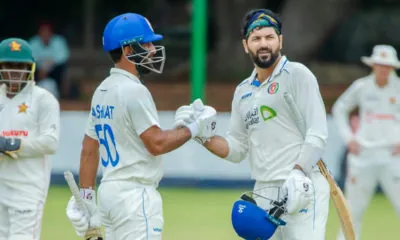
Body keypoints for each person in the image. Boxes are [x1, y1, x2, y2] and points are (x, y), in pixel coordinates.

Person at [175, 9, 330, 239]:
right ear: (246, 45)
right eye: (256, 39)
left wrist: (298, 172)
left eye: (269, 37)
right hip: (264, 192)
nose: (264, 44)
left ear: (280, 41)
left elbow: (317, 134)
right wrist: (200, 134)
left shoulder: (298, 75)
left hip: (302, 186)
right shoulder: (242, 91)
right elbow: (237, 149)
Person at [65, 13, 216, 240]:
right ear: (127, 50)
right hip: (135, 197)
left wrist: (86, 195)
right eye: (146, 43)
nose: (153, 50)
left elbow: (89, 147)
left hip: (110, 194)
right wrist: (194, 129)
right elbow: (156, 143)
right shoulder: (134, 90)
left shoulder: (102, 90)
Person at [332, 45, 400, 240]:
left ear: (392, 67)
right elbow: (339, 109)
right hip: (363, 156)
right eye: (380, 65)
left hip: (393, 156)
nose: (383, 69)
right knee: (352, 210)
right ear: (373, 65)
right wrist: (349, 138)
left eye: (387, 66)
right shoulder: (361, 87)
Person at [0, 38, 60, 240]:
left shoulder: (43, 99)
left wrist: (13, 144)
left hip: (27, 190)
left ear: (30, 67)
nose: (15, 71)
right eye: (9, 65)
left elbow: (51, 143)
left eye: (20, 65)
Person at [29, 22, 70, 98]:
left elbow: (63, 57)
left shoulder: (59, 41)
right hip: (38, 70)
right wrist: (42, 67)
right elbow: (31, 57)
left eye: (47, 32)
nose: (45, 34)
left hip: (55, 70)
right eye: (43, 32)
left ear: (51, 33)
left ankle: (63, 96)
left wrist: (47, 67)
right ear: (39, 33)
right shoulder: (34, 42)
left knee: (62, 68)